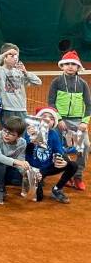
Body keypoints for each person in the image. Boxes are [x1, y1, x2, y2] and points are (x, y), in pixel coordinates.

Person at [48, 50, 90, 190]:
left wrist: (84, 122)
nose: (70, 66)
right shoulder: (56, 81)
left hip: (78, 122)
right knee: (60, 148)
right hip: (60, 121)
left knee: (83, 147)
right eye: (67, 64)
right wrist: (58, 120)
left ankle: (77, 176)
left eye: (73, 64)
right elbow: (51, 103)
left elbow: (89, 105)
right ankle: (68, 173)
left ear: (78, 67)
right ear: (62, 66)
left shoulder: (83, 84)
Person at [25, 106, 77, 203]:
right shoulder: (30, 131)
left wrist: (62, 161)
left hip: (46, 167)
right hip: (33, 169)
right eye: (44, 116)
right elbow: (22, 149)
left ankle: (57, 189)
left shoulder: (53, 134)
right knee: (38, 198)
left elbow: (59, 151)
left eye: (52, 118)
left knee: (72, 165)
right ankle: (31, 181)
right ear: (38, 119)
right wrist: (30, 138)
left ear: (54, 123)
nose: (48, 119)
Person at [0, 43, 42, 127]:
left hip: (22, 109)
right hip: (7, 109)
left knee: (22, 134)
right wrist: (4, 54)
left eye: (16, 55)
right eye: (11, 55)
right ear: (4, 57)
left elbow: (38, 82)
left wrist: (25, 72)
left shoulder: (19, 72)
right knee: (8, 134)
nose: (15, 58)